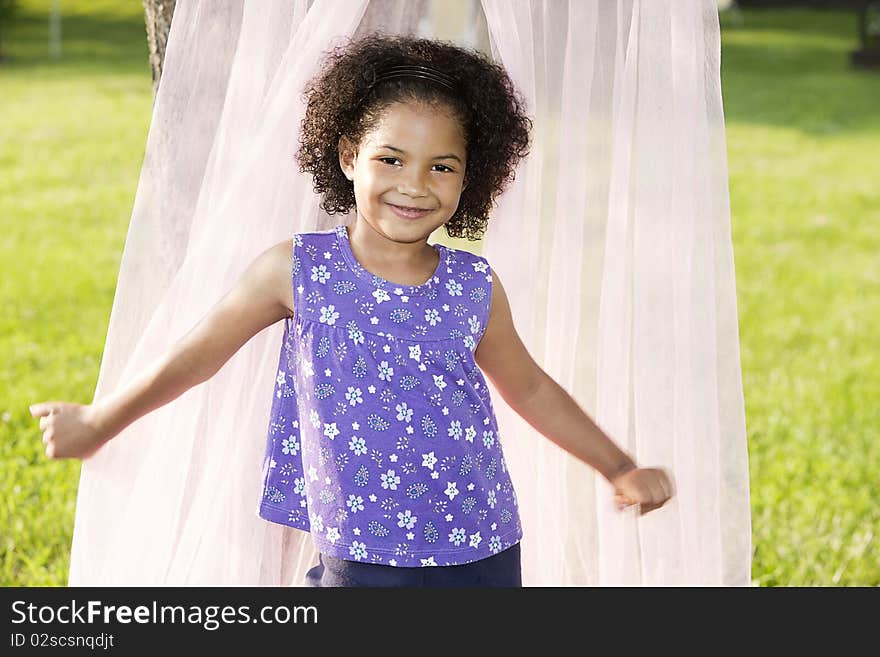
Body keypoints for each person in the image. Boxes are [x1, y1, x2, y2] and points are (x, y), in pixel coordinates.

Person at [29, 33, 674, 588]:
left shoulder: (473, 284)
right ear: (347, 157)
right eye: (390, 159)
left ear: (470, 176)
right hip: (360, 551)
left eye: (441, 166)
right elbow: (195, 357)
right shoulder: (297, 270)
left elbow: (530, 386)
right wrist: (98, 422)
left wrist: (617, 465)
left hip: (483, 545)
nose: (414, 185)